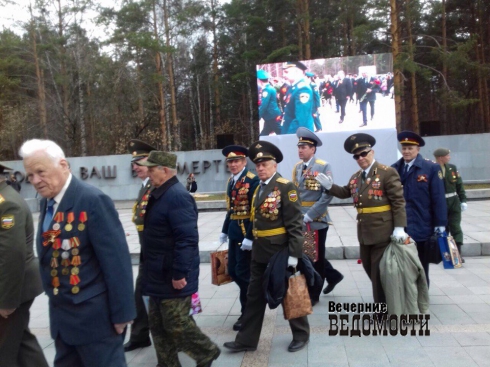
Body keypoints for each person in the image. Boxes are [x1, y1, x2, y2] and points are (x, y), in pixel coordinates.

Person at [19, 139, 136, 367]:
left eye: (40, 172)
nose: (35, 181)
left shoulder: (92, 201)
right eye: (30, 175)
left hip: (95, 322)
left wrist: (123, 314)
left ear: (63, 165)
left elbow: (117, 262)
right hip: (63, 321)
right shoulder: (48, 203)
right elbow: (50, 250)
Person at [136, 151, 220, 367]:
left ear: (164, 171)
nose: (148, 172)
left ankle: (206, 351)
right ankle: (167, 363)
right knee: (157, 324)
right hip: (156, 272)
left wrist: (180, 272)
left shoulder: (177, 196)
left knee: (176, 323)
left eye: (151, 168)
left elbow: (187, 239)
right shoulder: (159, 193)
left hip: (172, 274)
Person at [224, 141, 309, 353]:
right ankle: (246, 340)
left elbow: (295, 225)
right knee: (254, 295)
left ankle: (301, 335)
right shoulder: (259, 189)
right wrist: (250, 239)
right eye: (258, 164)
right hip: (259, 252)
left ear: (275, 165)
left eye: (265, 164)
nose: (260, 168)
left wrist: (294, 255)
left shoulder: (285, 187)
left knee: (288, 293)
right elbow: (256, 219)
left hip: (280, 251)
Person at [316, 133, 407, 306]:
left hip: (383, 230)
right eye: (356, 156)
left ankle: (384, 310)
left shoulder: (387, 173)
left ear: (371, 152)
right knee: (369, 268)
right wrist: (329, 187)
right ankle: (389, 299)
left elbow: (398, 202)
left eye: (363, 153)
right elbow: (345, 192)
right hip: (365, 232)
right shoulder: (357, 177)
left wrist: (400, 227)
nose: (360, 158)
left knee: (379, 272)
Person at [0, 163, 49, 367]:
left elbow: (12, 255)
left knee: (4, 350)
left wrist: (6, 301)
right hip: (13, 287)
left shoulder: (7, 204)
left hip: (13, 289)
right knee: (21, 343)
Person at [292, 128, 343, 304]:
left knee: (315, 258)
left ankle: (314, 294)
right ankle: (333, 276)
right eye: (299, 146)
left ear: (313, 149)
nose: (300, 150)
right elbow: (295, 193)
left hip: (316, 220)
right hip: (300, 219)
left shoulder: (323, 166)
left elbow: (327, 194)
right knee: (306, 255)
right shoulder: (298, 167)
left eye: (304, 147)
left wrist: (311, 214)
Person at [391, 131, 447, 285]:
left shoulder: (430, 168)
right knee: (403, 265)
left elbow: (438, 198)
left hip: (422, 224)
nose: (406, 152)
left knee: (421, 265)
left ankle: (422, 297)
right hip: (402, 226)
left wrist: (440, 224)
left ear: (418, 149)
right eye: (404, 148)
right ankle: (407, 295)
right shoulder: (394, 169)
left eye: (410, 148)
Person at [219, 145, 259, 331]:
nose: (233, 164)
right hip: (234, 233)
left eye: (237, 161)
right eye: (230, 162)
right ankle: (251, 305)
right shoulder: (231, 182)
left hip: (246, 235)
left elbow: (255, 212)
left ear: (244, 162)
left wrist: (250, 237)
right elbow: (231, 209)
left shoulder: (252, 180)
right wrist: (224, 230)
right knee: (234, 272)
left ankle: (249, 311)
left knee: (243, 273)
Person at [123, 139, 156, 353]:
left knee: (167, 300)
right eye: (133, 163)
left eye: (139, 162)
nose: (135, 167)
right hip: (148, 251)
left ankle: (185, 337)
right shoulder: (144, 187)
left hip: (156, 252)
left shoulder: (156, 187)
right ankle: (140, 335)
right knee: (140, 293)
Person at [433, 147, 467, 262]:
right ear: (440, 157)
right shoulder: (432, 168)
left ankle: (458, 255)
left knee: (456, 228)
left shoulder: (452, 168)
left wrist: (463, 200)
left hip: (453, 201)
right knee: (443, 229)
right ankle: (444, 254)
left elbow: (459, 185)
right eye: (447, 155)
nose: (449, 157)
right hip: (440, 203)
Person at [281, 61, 314, 134]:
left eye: (286, 72)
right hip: (290, 128)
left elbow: (300, 119)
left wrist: (287, 136)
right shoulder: (293, 87)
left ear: (296, 72)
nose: (283, 75)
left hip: (298, 133)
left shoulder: (303, 89)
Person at [257, 69, 282, 135]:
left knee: (280, 132)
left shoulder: (266, 90)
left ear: (259, 80)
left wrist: (259, 115)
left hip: (271, 115)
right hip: (271, 115)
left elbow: (264, 105)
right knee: (264, 133)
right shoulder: (271, 87)